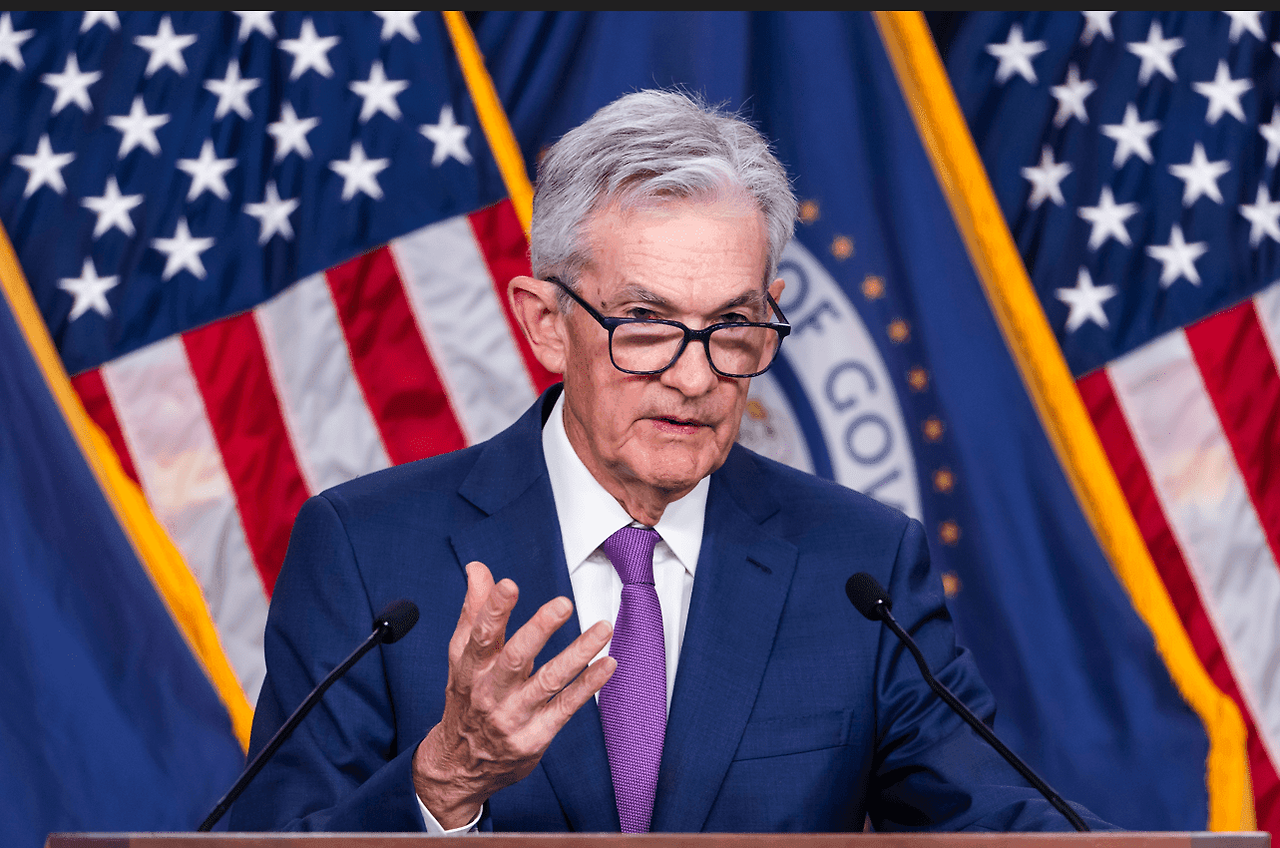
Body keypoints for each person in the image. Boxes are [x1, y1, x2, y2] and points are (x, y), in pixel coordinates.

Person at [229, 89, 1105, 833]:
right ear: (545, 323)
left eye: (733, 325)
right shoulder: (369, 554)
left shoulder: (860, 566)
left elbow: (1000, 822)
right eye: (645, 324)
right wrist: (446, 782)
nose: (695, 377)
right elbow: (270, 845)